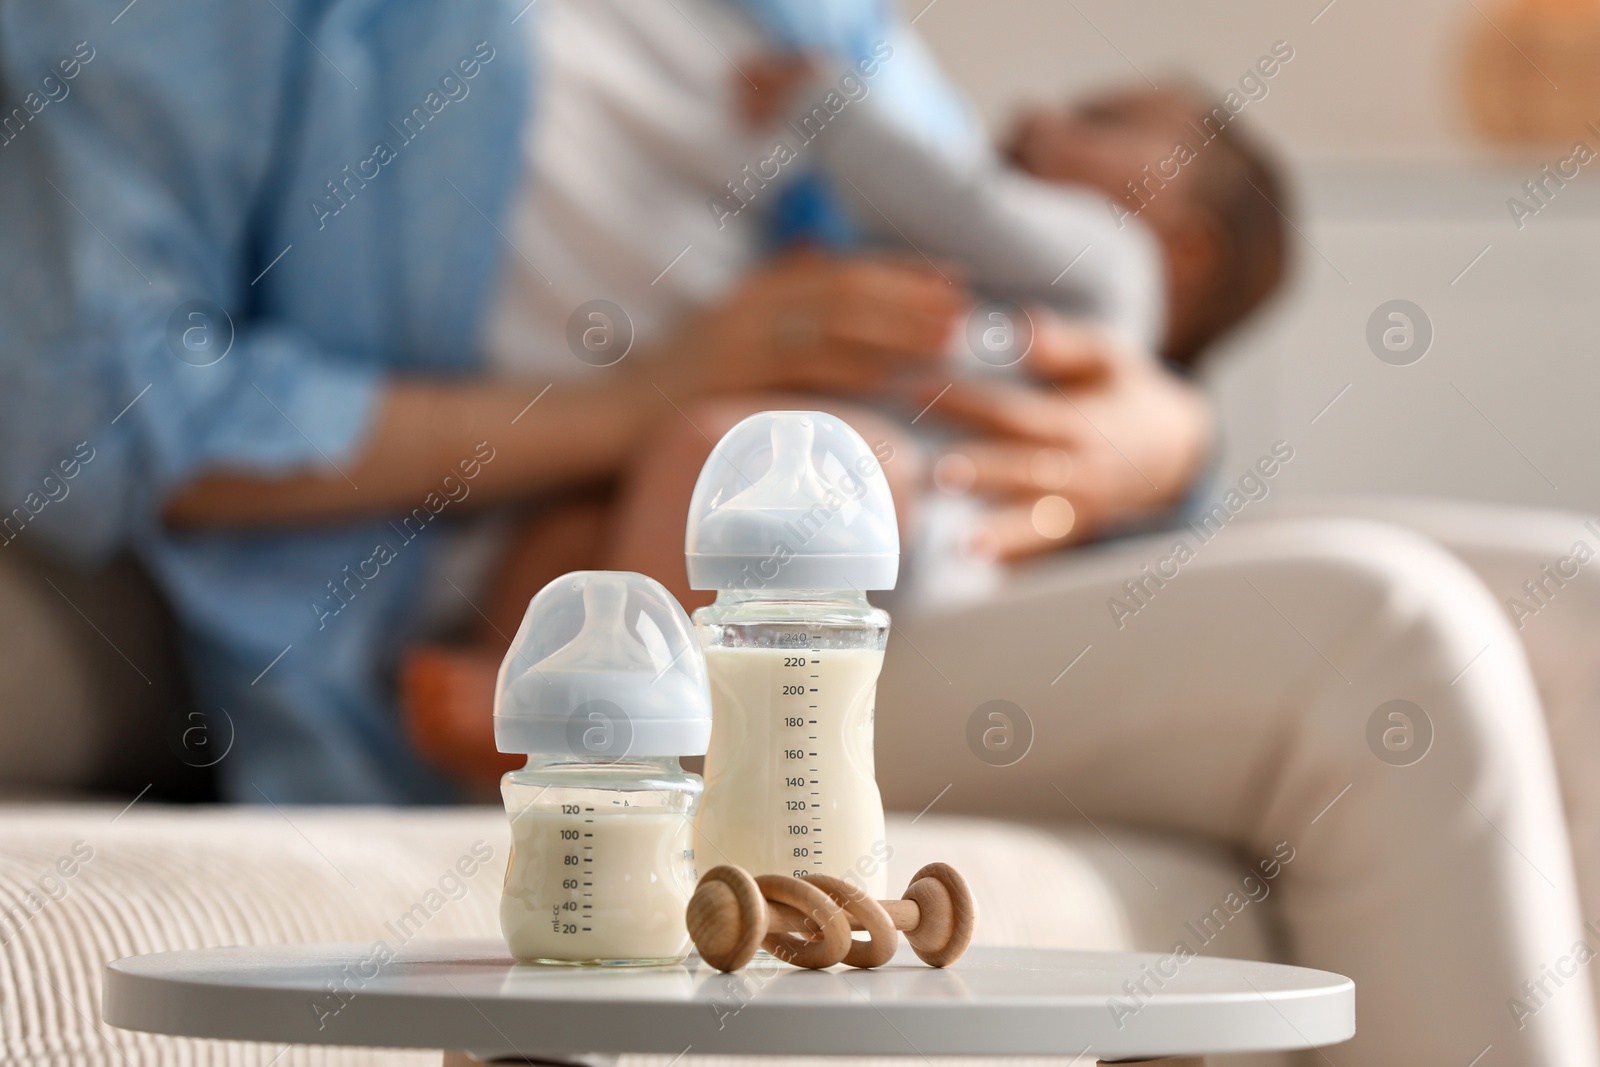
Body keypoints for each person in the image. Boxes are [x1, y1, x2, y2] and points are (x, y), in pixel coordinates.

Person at [2, 1, 1599, 1064]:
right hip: (648, 624)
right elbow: (93, 420)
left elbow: (997, 260)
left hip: (923, 549)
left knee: (1568, 609)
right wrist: (653, 399)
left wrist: (1163, 439)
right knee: (1397, 635)